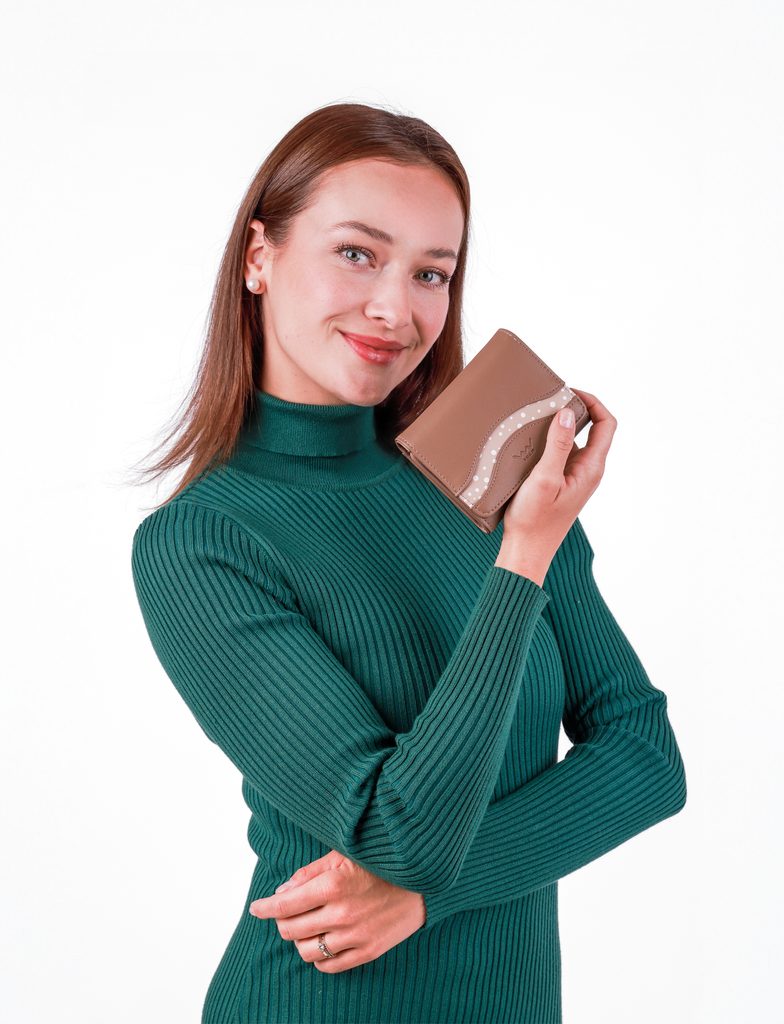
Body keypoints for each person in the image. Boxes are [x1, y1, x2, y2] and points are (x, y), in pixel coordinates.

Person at [130, 101, 687, 1024]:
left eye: (432, 272)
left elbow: (645, 756)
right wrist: (522, 561)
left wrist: (429, 897)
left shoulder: (492, 471)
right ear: (259, 257)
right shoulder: (204, 542)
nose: (397, 309)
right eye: (357, 253)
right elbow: (400, 833)